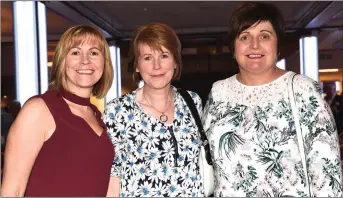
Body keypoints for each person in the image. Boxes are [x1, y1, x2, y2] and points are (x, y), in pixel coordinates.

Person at [202, 2, 343, 197]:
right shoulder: (219, 92)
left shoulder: (302, 90)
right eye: (245, 37)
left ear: (277, 46)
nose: (254, 44)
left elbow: (327, 171)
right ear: (234, 49)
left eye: (265, 36)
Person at [1, 25, 115, 197]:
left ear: (104, 63)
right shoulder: (40, 109)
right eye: (75, 52)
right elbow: (12, 191)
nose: (85, 60)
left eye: (94, 53)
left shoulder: (97, 116)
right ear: (62, 61)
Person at [103, 22, 204, 197]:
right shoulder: (118, 111)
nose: (157, 66)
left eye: (164, 56)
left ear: (175, 62)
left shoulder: (192, 102)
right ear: (137, 65)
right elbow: (113, 178)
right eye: (148, 58)